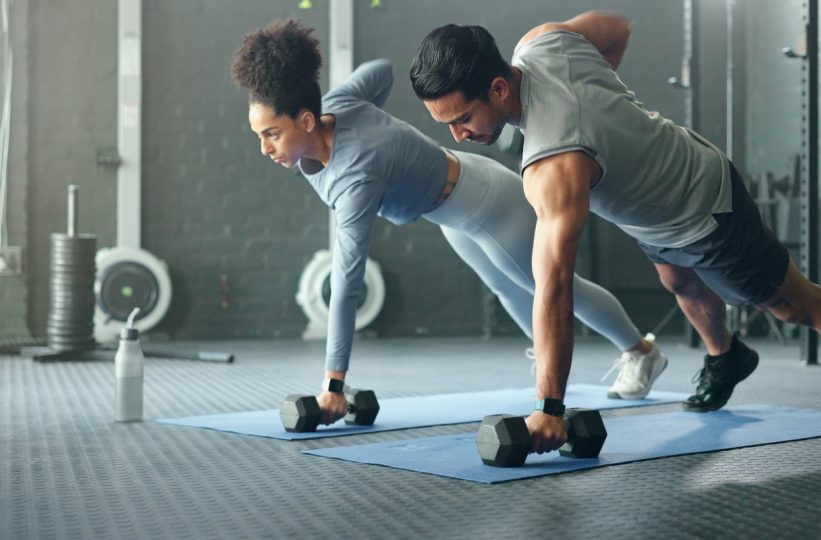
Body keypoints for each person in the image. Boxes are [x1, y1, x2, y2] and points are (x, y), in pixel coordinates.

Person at [410, 10, 821, 453]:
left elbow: (553, 287)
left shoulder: (554, 162)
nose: (459, 136)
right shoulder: (544, 42)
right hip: (656, 210)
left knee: (791, 304)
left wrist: (548, 407)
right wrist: (607, 98)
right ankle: (727, 356)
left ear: (498, 87)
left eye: (462, 119)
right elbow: (617, 27)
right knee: (681, 284)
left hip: (703, 207)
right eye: (446, 126)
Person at [230, 20, 668, 425]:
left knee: (550, 287)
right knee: (504, 287)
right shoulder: (341, 106)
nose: (265, 148)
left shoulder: (355, 177)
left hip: (486, 203)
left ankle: (641, 352)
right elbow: (379, 71)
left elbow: (346, 285)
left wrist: (333, 385)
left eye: (272, 134)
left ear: (307, 120)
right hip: (451, 214)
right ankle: (549, 358)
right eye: (259, 136)